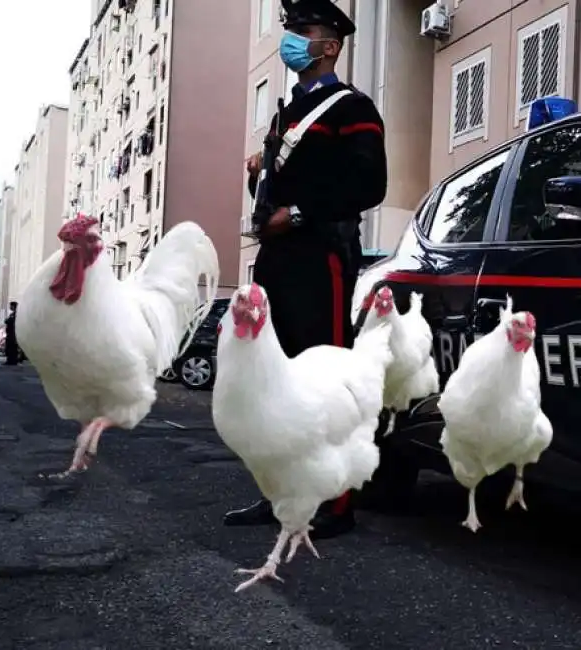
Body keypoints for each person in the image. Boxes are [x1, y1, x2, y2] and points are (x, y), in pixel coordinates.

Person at [223, 0, 387, 539]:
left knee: (324, 377)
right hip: (279, 258)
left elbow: (369, 186)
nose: (291, 37)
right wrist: (260, 177)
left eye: (303, 30)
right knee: (278, 380)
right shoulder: (284, 115)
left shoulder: (352, 108)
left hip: (322, 257)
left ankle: (336, 504)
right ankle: (281, 494)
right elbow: (279, 192)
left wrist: (295, 213)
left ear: (330, 46)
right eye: (290, 28)